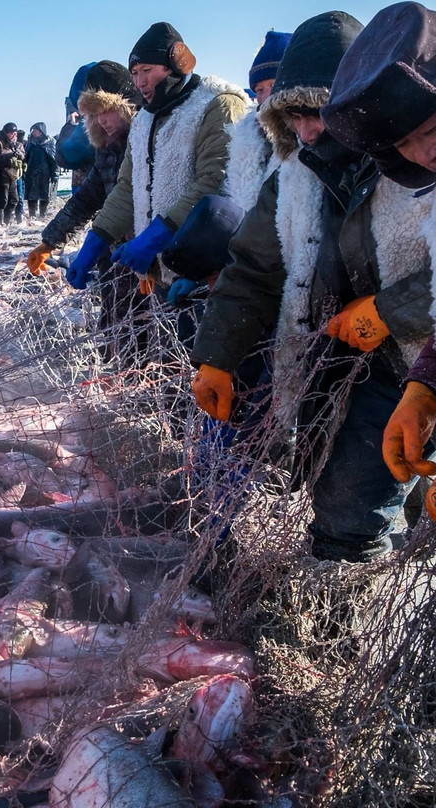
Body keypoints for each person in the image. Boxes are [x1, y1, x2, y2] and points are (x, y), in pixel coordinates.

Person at [191, 11, 434, 563]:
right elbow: (253, 267)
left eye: (317, 113)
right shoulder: (298, 173)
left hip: (411, 359)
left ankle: (354, 610)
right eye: (292, 118)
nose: (306, 132)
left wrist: (393, 309)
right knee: (343, 487)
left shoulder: (418, 155)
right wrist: (217, 356)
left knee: (353, 512)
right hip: (333, 361)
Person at [320, 1, 436, 523]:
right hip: (398, 370)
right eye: (405, 143)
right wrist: (425, 386)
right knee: (348, 511)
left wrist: (391, 311)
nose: (423, 153)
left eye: (429, 130)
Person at [69, 22, 249, 301]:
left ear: (176, 65)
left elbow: (215, 181)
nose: (139, 82)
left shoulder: (216, 105)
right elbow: (128, 186)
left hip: (209, 268)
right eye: (134, 73)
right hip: (162, 270)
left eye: (147, 71)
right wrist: (97, 239)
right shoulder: (144, 120)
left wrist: (155, 237)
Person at [26, 62, 140, 279]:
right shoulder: (107, 146)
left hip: (148, 253)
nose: (101, 121)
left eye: (105, 111)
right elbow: (87, 198)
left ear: (126, 105)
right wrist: (49, 242)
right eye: (93, 115)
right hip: (116, 247)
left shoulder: (146, 139)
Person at [222, 30, 292, 212]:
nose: (267, 96)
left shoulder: (308, 138)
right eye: (259, 90)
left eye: (273, 85)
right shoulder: (245, 140)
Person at [0, 123, 25, 225]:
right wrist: (10, 156)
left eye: (15, 133)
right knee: (2, 201)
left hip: (11, 175)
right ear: (6, 133)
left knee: (14, 200)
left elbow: (22, 156)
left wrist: (18, 154)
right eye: (11, 133)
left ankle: (7, 222)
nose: (13, 135)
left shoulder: (14, 142)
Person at [23, 123, 58, 220]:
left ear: (41, 131)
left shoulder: (50, 142)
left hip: (45, 173)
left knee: (44, 195)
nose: (34, 132)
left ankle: (43, 214)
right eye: (33, 130)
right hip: (32, 172)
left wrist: (55, 173)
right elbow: (25, 157)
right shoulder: (31, 143)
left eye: (36, 130)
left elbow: (54, 160)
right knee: (32, 195)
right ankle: (32, 215)